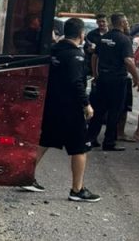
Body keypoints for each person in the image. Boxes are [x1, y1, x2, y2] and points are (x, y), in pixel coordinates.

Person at [24, 17, 99, 201]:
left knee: (45, 141)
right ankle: (77, 189)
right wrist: (86, 104)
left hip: (51, 105)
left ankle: (25, 176)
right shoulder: (76, 55)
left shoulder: (53, 50)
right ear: (81, 34)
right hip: (71, 108)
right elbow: (76, 82)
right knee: (80, 148)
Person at [85, 12, 139, 152]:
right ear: (122, 23)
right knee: (114, 111)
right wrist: (137, 78)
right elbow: (128, 60)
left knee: (98, 110)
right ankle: (109, 142)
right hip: (117, 80)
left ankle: (91, 139)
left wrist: (96, 74)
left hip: (102, 78)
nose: (128, 24)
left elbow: (94, 56)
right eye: (127, 22)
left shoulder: (104, 38)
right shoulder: (124, 40)